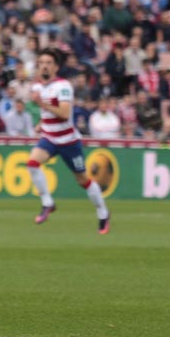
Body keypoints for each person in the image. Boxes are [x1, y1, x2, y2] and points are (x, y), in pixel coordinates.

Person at [27, 48, 110, 235]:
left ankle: (103, 212)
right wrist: (42, 123)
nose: (44, 66)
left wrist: (41, 104)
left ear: (55, 67)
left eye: (48, 62)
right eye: (41, 62)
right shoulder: (37, 86)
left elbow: (64, 114)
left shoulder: (63, 86)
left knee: (83, 180)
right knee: (32, 163)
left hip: (68, 141)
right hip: (49, 138)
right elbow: (48, 111)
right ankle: (48, 203)